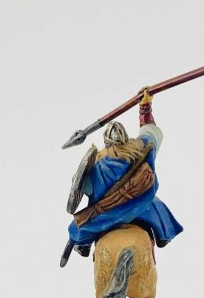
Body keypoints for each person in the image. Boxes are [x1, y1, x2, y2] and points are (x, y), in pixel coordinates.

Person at [64, 90, 182, 262]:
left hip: (110, 213)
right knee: (156, 206)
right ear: (125, 138)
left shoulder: (99, 166)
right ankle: (164, 236)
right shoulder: (141, 147)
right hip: (140, 204)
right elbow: (149, 129)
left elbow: (85, 188)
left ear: (107, 142)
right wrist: (145, 106)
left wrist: (78, 178)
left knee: (77, 227)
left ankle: (82, 246)